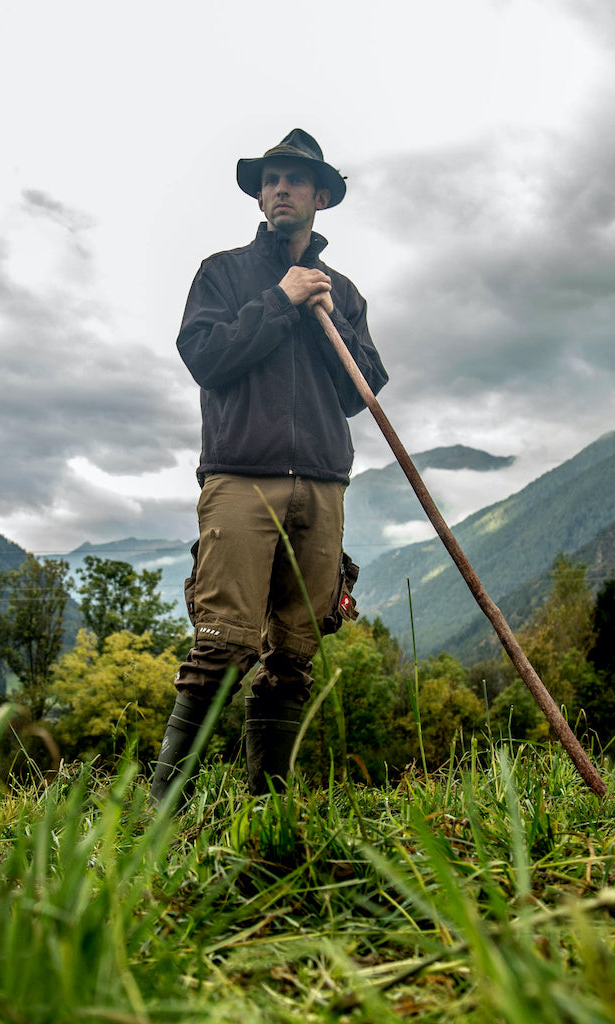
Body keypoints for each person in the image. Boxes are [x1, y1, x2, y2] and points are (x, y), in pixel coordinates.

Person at [150, 129, 388, 804]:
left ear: (320, 198)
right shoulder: (222, 274)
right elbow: (206, 357)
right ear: (260, 195)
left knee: (293, 655)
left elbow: (358, 394)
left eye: (295, 179)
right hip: (240, 477)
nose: (281, 188)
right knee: (223, 642)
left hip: (322, 483)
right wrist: (279, 302)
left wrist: (327, 319)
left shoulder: (341, 291)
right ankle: (164, 812)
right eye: (271, 179)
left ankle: (269, 807)